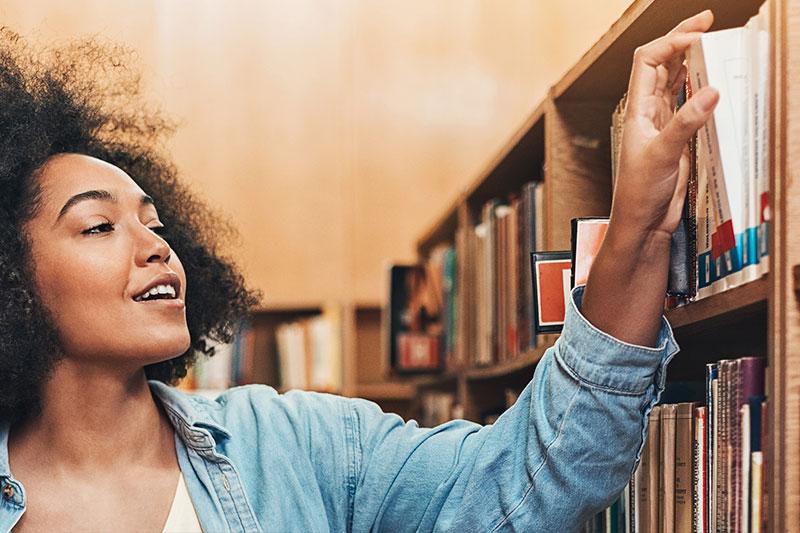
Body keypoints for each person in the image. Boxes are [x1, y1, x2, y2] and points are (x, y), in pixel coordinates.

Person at [0, 10, 719, 533]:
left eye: (157, 224)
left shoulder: (299, 447)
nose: (157, 247)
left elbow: (528, 477)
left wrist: (638, 230)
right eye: (98, 225)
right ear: (13, 279)